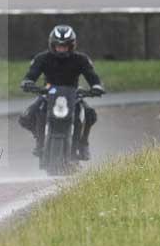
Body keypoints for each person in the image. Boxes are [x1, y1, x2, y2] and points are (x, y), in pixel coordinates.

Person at [18, 24, 105, 159]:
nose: (61, 49)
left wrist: (96, 86)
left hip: (74, 95)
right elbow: (31, 74)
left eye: (65, 46)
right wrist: (28, 83)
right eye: (58, 45)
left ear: (72, 45)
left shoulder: (81, 59)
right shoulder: (42, 58)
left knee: (90, 114)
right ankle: (40, 140)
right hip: (48, 93)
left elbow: (91, 75)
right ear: (52, 45)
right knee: (26, 116)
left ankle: (83, 144)